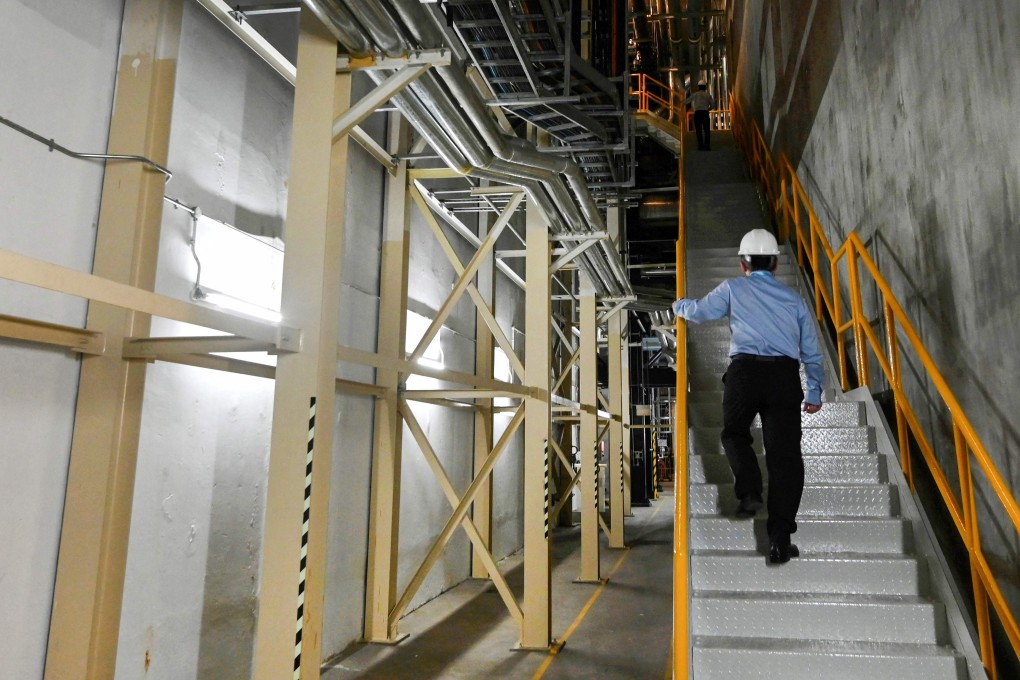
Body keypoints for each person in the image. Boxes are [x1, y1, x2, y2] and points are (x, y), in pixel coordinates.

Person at [672, 229, 824, 564]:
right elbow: (812, 353)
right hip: (784, 378)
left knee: (734, 433)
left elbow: (699, 312)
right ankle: (780, 539)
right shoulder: (794, 300)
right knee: (785, 458)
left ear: (743, 265)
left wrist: (678, 305)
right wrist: (814, 390)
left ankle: (751, 490)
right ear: (775, 264)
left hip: (744, 375)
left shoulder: (733, 288)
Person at [686, 80, 716, 150]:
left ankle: (700, 146)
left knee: (698, 130)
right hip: (705, 113)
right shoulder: (708, 95)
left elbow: (687, 101)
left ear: (698, 87)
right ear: (705, 87)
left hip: (697, 113)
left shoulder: (695, 94)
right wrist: (708, 109)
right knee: (707, 130)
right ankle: (707, 146)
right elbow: (713, 105)